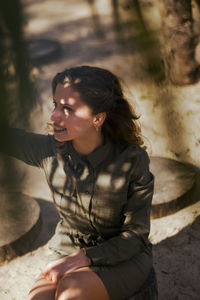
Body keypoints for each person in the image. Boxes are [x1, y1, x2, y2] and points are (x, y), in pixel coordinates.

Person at [1, 66, 155, 300]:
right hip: (67, 248)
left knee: (70, 294)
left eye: (67, 109)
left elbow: (136, 235)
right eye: (55, 105)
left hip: (123, 257)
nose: (54, 116)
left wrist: (81, 259)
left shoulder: (132, 161)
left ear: (98, 118)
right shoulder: (49, 152)